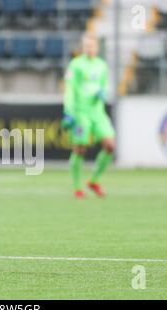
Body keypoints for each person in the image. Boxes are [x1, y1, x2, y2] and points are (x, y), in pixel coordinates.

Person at [62, 33, 115, 198]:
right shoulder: (75, 65)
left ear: (97, 47)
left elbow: (105, 87)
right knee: (80, 149)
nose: (90, 49)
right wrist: (69, 112)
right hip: (80, 113)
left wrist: (103, 94)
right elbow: (69, 90)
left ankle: (94, 180)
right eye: (87, 46)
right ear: (82, 48)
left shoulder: (102, 66)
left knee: (110, 146)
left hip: (98, 112)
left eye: (92, 46)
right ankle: (77, 187)